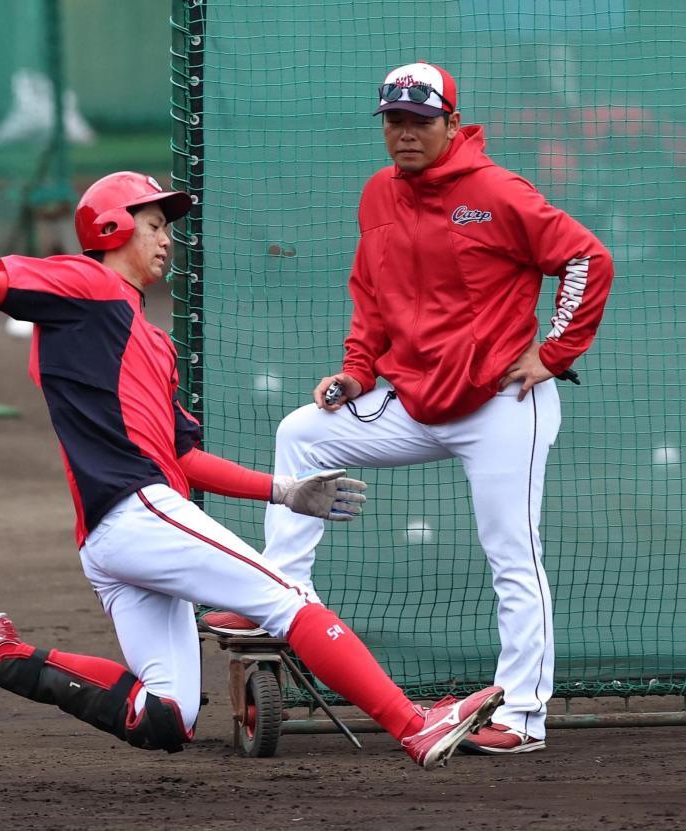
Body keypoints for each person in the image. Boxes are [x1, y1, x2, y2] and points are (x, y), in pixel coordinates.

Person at [0, 170, 504, 768]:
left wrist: (286, 489)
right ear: (112, 226)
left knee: (165, 716)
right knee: (288, 600)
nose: (166, 237)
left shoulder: (147, 337)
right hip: (135, 511)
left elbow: (183, 457)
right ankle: (415, 726)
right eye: (152, 223)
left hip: (118, 534)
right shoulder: (86, 282)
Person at [202, 62, 614, 755]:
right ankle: (280, 594)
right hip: (415, 397)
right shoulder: (378, 196)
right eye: (394, 120)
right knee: (302, 433)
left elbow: (586, 259)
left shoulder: (497, 191)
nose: (405, 133)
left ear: (452, 122)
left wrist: (555, 352)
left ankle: (524, 714)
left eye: (420, 120)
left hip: (502, 402)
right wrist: (358, 371)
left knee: (513, 554)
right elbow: (371, 292)